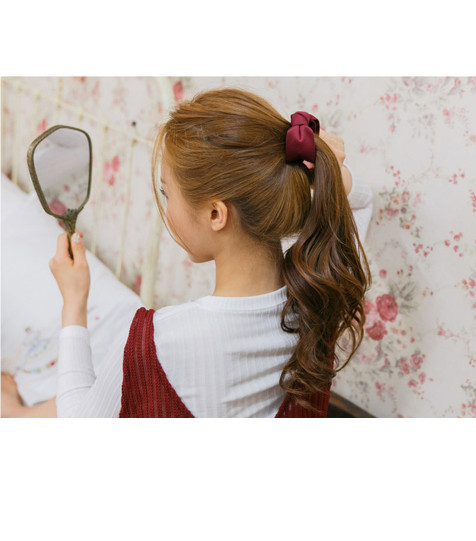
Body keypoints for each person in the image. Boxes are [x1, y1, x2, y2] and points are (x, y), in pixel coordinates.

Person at [1, 88, 372, 418]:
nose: (166, 206)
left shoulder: (157, 341)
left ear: (216, 214)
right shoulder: (322, 292)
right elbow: (360, 201)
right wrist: (331, 170)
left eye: (167, 193)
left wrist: (74, 302)